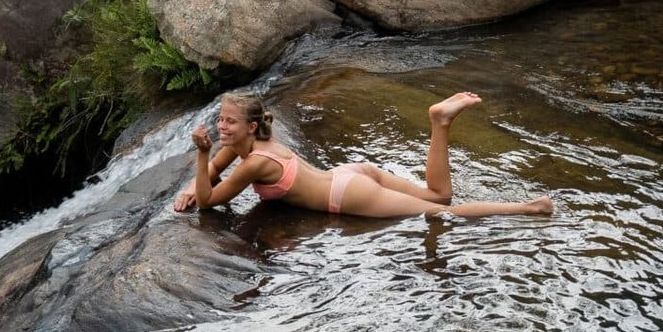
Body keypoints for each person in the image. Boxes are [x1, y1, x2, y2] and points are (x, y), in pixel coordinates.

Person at [172, 91, 554, 220]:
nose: (222, 128)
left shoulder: (255, 162)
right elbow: (208, 178)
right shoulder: (249, 146)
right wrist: (195, 178)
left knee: (444, 213)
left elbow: (208, 203)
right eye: (220, 121)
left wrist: (201, 156)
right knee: (440, 195)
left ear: (251, 127)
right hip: (352, 174)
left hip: (348, 194)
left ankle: (527, 209)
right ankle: (439, 123)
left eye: (231, 123)